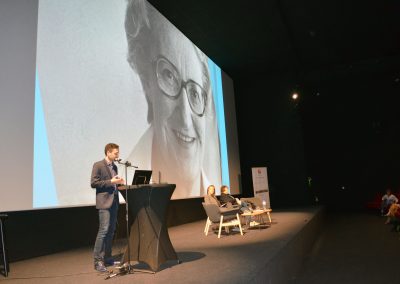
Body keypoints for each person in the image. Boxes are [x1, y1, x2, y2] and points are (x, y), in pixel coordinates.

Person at [124, 0, 221, 199]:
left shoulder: (216, 188)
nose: (185, 118)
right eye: (169, 75)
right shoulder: (123, 187)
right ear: (146, 82)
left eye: (195, 93)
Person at [90, 143, 125, 272]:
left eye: (118, 153)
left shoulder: (114, 166)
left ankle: (108, 257)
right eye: (116, 153)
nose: (117, 155)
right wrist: (111, 182)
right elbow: (94, 183)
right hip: (104, 203)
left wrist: (119, 182)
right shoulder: (98, 165)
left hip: (114, 202)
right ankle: (97, 261)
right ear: (108, 152)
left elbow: (113, 183)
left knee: (111, 231)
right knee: (103, 231)